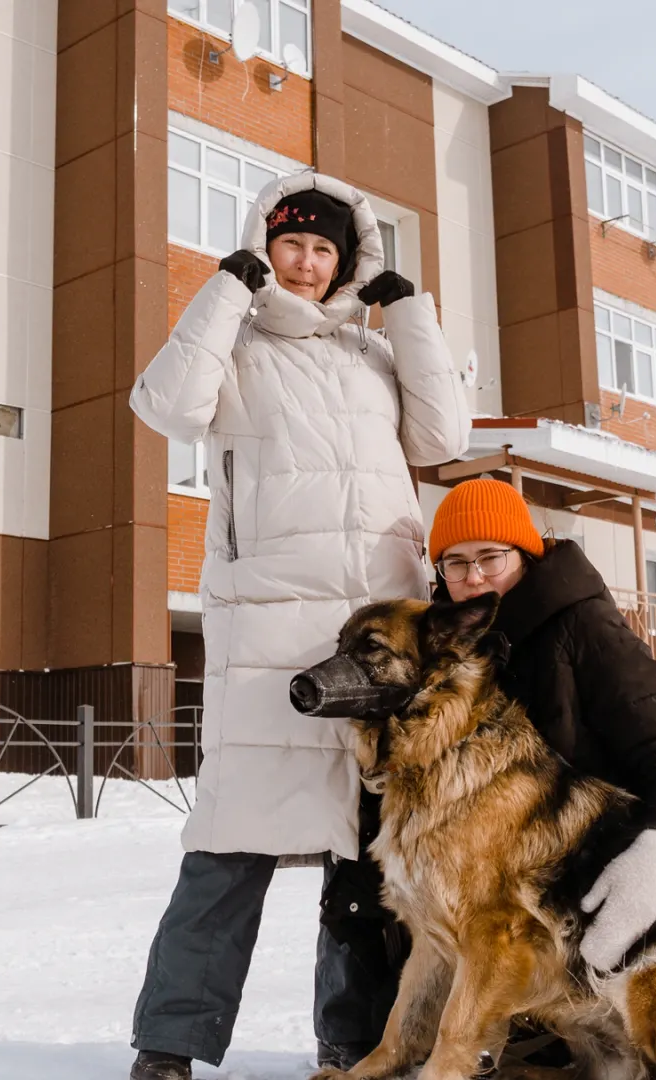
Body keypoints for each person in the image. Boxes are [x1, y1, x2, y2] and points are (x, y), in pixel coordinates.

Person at [125, 173, 471, 1080]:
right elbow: (164, 407)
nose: (309, 263)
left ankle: (351, 1043)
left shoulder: (375, 357)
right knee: (227, 852)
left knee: (364, 864)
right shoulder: (234, 345)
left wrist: (411, 320)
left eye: (326, 249)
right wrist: (224, 289)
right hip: (268, 636)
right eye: (292, 246)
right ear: (265, 248)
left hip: (377, 642)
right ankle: (168, 1046)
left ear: (348, 261)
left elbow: (442, 439)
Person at [326, 477, 656, 1069]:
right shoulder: (448, 644)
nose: (475, 577)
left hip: (600, 878)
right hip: (517, 902)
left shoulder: (584, 626)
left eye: (491, 557)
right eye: (456, 564)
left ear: (526, 553)